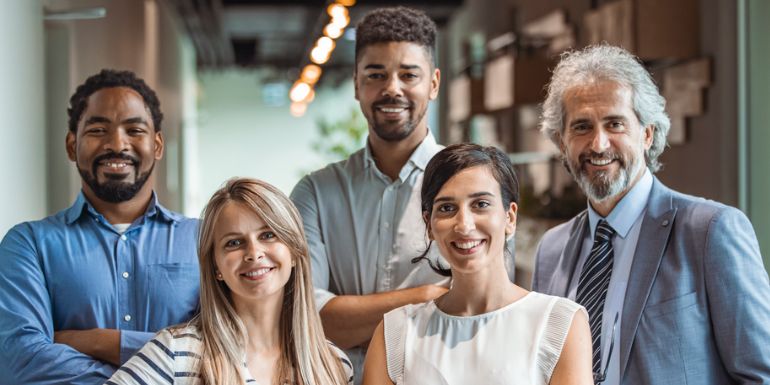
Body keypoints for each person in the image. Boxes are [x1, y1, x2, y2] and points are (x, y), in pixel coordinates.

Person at [291, 7, 512, 382]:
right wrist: (430, 296)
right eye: (376, 74)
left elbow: (486, 309)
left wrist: (354, 313)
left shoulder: (478, 188)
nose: (392, 88)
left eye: (409, 74)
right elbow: (309, 319)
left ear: (434, 83)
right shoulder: (315, 193)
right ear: (357, 85)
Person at [533, 44, 770, 384]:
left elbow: (761, 374)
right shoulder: (550, 251)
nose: (598, 144)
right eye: (582, 127)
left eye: (614, 124)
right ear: (561, 141)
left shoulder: (710, 232)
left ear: (647, 134)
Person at [0, 69, 200, 384]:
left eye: (134, 129)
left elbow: (227, 349)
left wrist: (95, 341)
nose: (117, 144)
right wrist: (166, 369)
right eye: (97, 130)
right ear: (71, 145)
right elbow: (18, 361)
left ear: (158, 145)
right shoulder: (28, 245)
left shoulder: (203, 239)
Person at [362, 143, 592, 385]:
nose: (464, 225)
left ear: (510, 217)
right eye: (447, 208)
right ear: (429, 225)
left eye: (481, 204)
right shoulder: (396, 333)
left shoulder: (559, 324)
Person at [107, 178, 353, 385]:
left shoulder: (333, 364)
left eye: (268, 235)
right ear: (216, 267)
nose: (254, 253)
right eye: (234, 242)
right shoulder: (177, 353)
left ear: (294, 252)